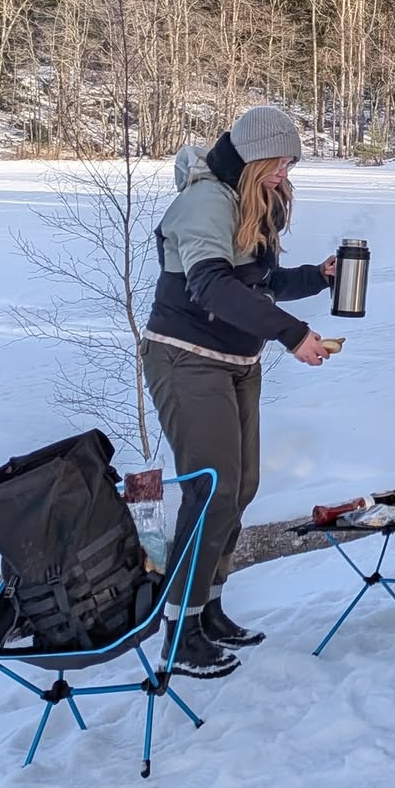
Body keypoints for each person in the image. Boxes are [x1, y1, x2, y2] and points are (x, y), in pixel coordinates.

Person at [142, 105, 338, 678]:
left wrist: (316, 278)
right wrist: (291, 333)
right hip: (186, 358)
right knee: (212, 491)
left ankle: (209, 608)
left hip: (236, 360)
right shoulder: (206, 200)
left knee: (241, 486)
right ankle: (179, 629)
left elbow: (261, 281)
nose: (285, 174)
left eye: (290, 164)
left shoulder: (254, 200)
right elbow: (209, 285)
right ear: (253, 158)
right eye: (279, 163)